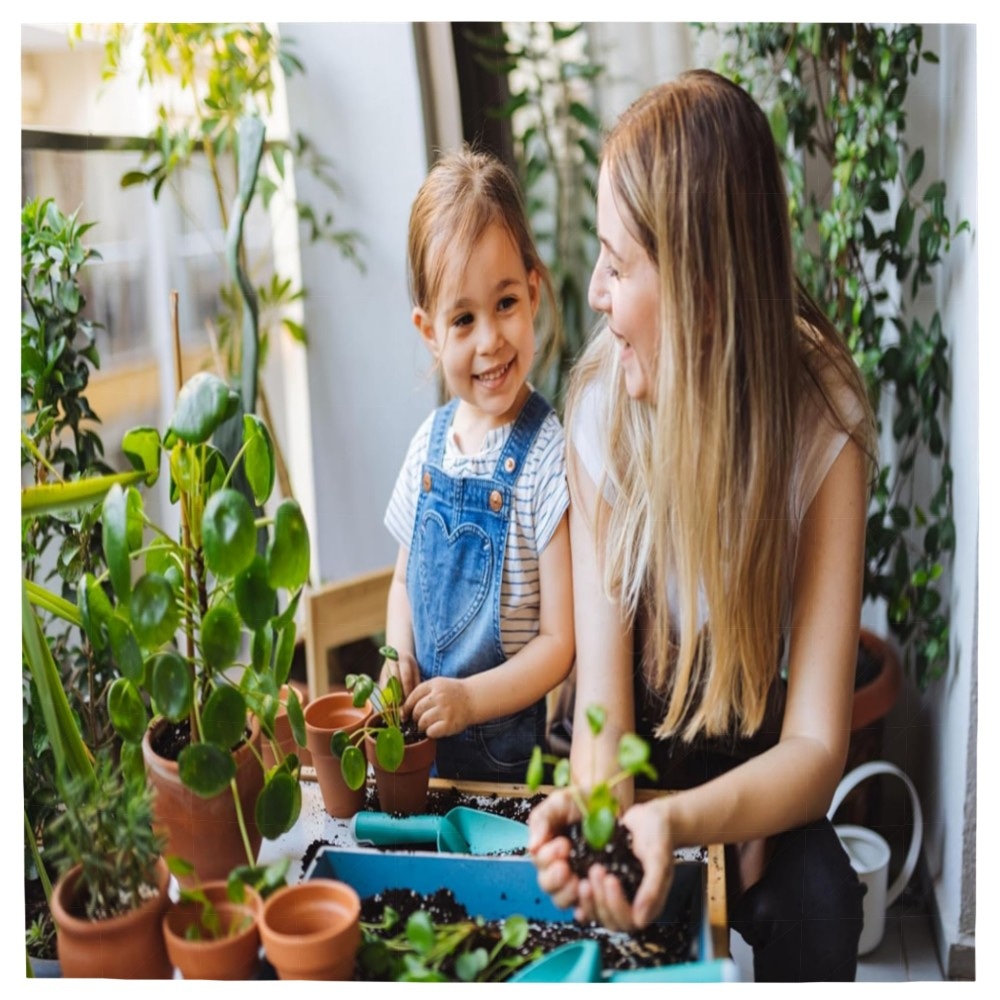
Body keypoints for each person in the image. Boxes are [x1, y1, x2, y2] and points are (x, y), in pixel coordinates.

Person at [526, 69, 877, 982]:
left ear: (699, 282)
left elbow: (813, 747)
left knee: (819, 907)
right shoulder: (603, 405)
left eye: (618, 261)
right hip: (640, 727)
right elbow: (602, 711)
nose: (595, 293)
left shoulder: (825, 425)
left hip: (754, 740)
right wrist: (606, 828)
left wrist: (688, 821)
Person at [382, 146, 575, 783]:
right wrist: (397, 657)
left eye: (505, 304)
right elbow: (404, 583)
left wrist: (469, 701)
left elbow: (558, 643)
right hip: (423, 763)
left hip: (508, 777)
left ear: (534, 291)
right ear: (429, 332)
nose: (490, 339)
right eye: (463, 319)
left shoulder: (548, 457)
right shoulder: (427, 447)